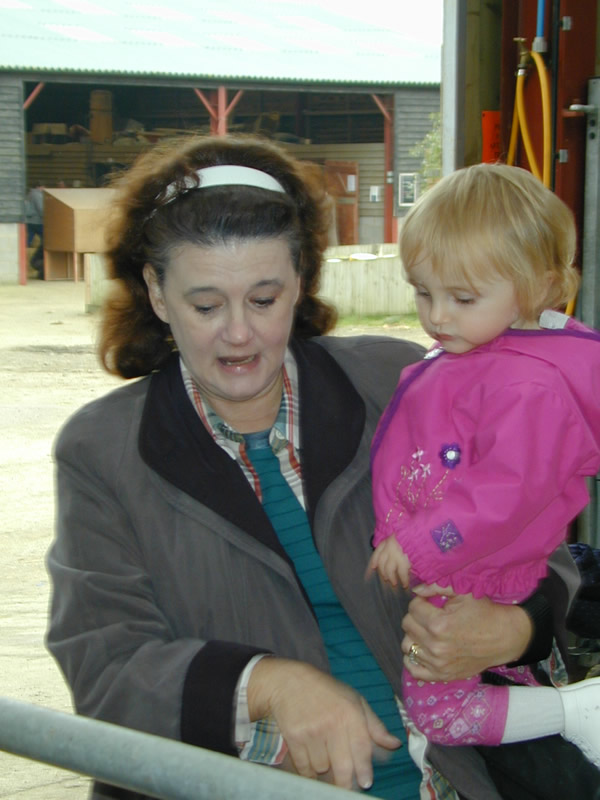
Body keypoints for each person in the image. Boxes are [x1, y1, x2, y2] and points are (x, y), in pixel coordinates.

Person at [45, 136, 587, 800]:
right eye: (206, 305)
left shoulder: (405, 385)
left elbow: (535, 532)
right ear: (157, 292)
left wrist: (515, 626)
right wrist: (265, 685)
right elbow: (105, 668)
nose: (238, 333)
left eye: (265, 299)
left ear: (300, 281)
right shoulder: (102, 451)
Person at [369, 163, 600, 772]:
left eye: (463, 298)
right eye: (423, 292)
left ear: (537, 287)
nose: (437, 317)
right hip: (465, 568)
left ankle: (578, 712)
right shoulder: (484, 355)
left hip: (473, 573)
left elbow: (504, 496)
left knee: (440, 714)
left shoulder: (527, 386)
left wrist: (419, 542)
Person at [25, 183, 44, 278]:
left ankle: (26, 246)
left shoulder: (29, 194)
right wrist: (45, 216)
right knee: (45, 239)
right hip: (37, 221)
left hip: (29, 220)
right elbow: (40, 208)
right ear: (39, 186)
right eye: (43, 187)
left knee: (29, 237)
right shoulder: (37, 195)